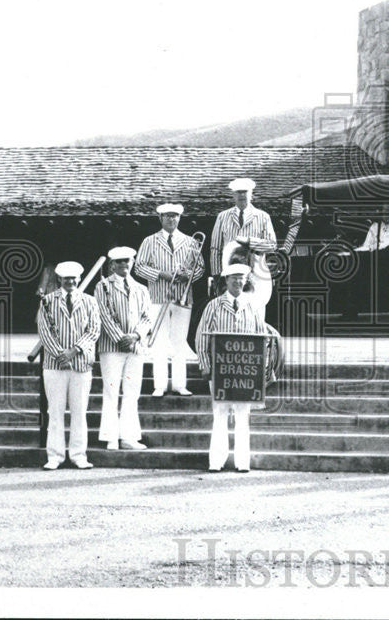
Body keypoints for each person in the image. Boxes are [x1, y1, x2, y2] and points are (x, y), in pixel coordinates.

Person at [196, 263, 267, 473]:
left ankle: (242, 461)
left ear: (246, 281)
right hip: (220, 371)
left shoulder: (253, 306)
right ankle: (216, 461)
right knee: (219, 414)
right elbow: (201, 337)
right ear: (226, 281)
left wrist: (261, 369)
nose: (237, 282)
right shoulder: (214, 306)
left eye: (241, 278)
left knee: (243, 416)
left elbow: (262, 338)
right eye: (233, 278)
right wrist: (205, 365)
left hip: (245, 372)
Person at [134, 203, 206, 397]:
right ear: (160, 219)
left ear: (179, 218)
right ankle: (160, 385)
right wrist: (161, 274)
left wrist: (188, 274)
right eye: (167, 216)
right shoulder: (149, 241)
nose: (171, 219)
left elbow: (200, 268)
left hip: (183, 299)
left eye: (175, 216)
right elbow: (139, 267)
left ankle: (179, 385)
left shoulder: (191, 242)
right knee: (158, 342)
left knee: (179, 342)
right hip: (158, 298)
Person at [36, 260, 101, 469]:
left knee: (79, 411)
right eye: (66, 279)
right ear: (59, 280)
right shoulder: (47, 301)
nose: (70, 282)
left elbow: (93, 330)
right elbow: (44, 331)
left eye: (74, 278)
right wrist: (59, 354)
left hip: (81, 363)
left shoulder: (90, 301)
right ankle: (54, 456)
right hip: (55, 366)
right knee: (54, 412)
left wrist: (74, 351)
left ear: (79, 279)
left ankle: (78, 455)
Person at [94, 246, 152, 451]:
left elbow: (147, 317)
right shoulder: (103, 287)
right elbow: (104, 315)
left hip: (136, 346)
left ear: (133, 263)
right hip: (112, 347)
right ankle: (110, 437)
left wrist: (136, 336)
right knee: (111, 391)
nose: (124, 265)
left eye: (127, 261)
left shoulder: (142, 289)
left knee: (131, 392)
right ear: (112, 265)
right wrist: (121, 338)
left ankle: (128, 437)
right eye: (119, 262)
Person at [210, 178, 277, 319]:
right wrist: (217, 276)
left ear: (251, 194)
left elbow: (272, 245)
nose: (242, 195)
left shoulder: (263, 217)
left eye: (245, 192)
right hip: (230, 276)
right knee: (229, 315)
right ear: (233, 195)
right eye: (238, 192)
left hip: (256, 276)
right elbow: (215, 249)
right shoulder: (222, 217)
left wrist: (249, 241)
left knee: (255, 314)